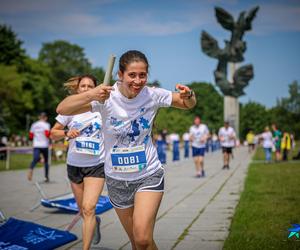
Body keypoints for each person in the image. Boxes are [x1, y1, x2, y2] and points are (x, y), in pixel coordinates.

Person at [56, 50, 197, 250]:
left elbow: (187, 104)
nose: (138, 81)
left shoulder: (152, 94)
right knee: (136, 243)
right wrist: (91, 93)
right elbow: (62, 109)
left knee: (142, 238)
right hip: (117, 179)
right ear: (120, 75)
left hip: (148, 174)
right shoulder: (105, 97)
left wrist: (189, 94)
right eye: (132, 75)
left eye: (142, 75)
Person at [50, 75, 105, 249]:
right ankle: (94, 222)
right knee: (83, 210)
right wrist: (67, 132)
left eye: (90, 86)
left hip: (97, 164)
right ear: (77, 89)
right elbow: (53, 132)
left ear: (96, 88)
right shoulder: (70, 109)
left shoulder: (102, 107)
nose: (86, 89)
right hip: (74, 165)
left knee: (89, 208)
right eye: (83, 86)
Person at [27, 112, 51, 182]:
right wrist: (50, 142)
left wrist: (34, 139)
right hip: (44, 145)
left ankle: (31, 169)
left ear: (39, 117)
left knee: (35, 158)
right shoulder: (47, 124)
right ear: (46, 118)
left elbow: (31, 136)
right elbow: (47, 135)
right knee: (46, 161)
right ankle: (46, 177)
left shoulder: (34, 124)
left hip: (36, 144)